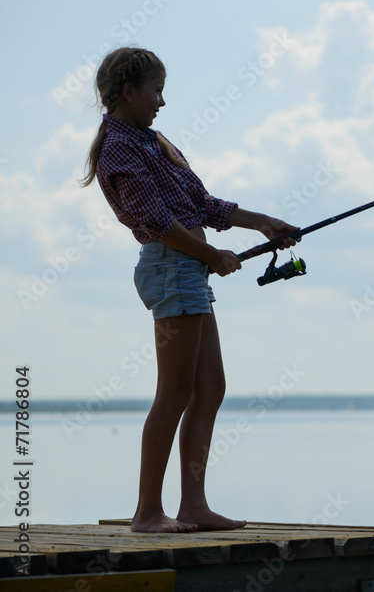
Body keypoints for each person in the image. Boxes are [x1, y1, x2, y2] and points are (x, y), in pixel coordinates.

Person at [80, 47, 298, 533]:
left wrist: (264, 224)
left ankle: (193, 506)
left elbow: (201, 203)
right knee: (174, 392)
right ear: (128, 91)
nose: (162, 101)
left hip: (187, 269)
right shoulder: (119, 149)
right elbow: (157, 223)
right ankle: (147, 513)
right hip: (172, 268)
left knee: (210, 388)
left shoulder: (153, 141)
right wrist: (211, 256)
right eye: (155, 91)